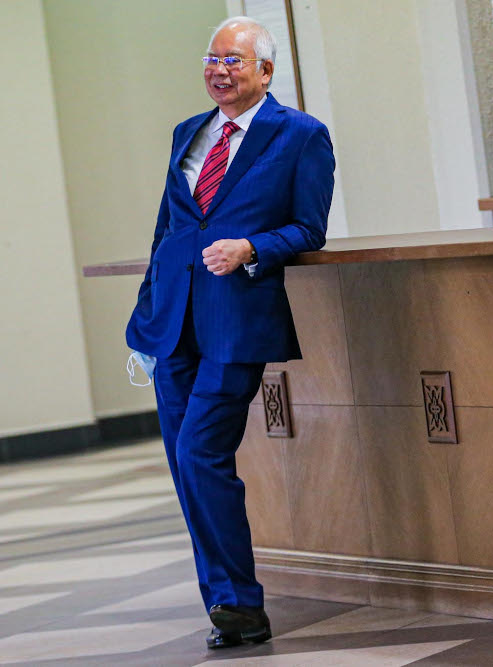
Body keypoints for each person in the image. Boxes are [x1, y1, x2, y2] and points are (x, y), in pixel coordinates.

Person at [125, 16, 335, 649]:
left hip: (237, 321)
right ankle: (226, 602)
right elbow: (167, 230)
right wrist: (144, 315)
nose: (219, 70)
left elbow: (309, 228)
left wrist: (251, 246)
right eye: (212, 59)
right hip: (172, 324)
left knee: (199, 453)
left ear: (265, 71)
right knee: (185, 465)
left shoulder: (300, 136)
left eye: (233, 61)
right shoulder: (187, 134)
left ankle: (238, 603)